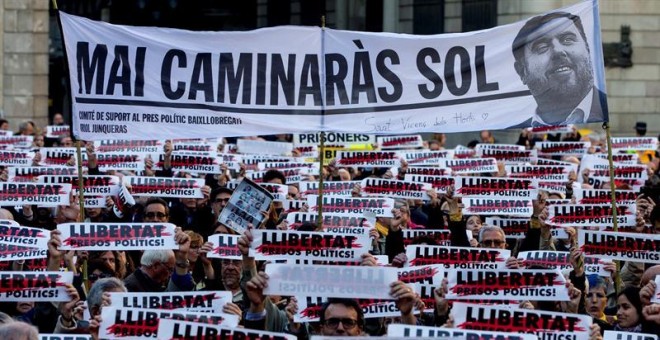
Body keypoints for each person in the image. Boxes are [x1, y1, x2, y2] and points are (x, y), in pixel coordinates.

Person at [509, 11, 607, 128]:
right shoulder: (515, 130)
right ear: (522, 71)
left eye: (568, 40)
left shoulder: (608, 109)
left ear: (587, 49)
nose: (558, 51)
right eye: (542, 47)